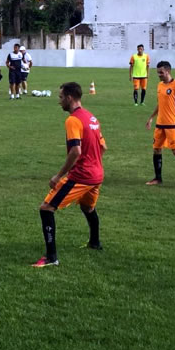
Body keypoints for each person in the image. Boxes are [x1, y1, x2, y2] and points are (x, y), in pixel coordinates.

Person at [33, 82, 107, 267]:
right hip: (97, 174)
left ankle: (51, 257)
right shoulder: (91, 118)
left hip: (82, 176)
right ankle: (95, 243)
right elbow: (103, 146)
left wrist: (58, 176)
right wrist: (94, 162)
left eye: (60, 97)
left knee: (46, 208)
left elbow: (76, 151)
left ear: (69, 98)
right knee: (87, 207)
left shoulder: (73, 120)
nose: (59, 101)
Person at [145, 61, 175, 190]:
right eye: (158, 72)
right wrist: (151, 118)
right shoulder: (160, 85)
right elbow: (160, 104)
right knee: (157, 149)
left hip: (173, 125)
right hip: (160, 124)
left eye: (161, 72)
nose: (159, 75)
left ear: (168, 71)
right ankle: (158, 178)